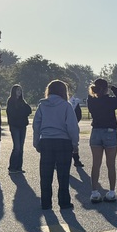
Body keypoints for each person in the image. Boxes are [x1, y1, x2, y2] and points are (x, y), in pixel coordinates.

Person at [33, 79, 80, 210]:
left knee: (46, 174)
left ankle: (46, 202)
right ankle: (64, 202)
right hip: (63, 142)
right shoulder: (66, 106)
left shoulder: (42, 105)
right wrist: (75, 143)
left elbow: (36, 125)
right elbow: (72, 127)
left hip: (46, 141)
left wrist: (36, 141)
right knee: (63, 174)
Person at [85, 77, 117, 203]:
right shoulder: (110, 101)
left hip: (96, 130)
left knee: (96, 164)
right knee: (110, 164)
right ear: (106, 88)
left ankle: (94, 192)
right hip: (109, 131)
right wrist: (113, 87)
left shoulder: (90, 100)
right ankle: (112, 192)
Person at [6, 84, 32, 173]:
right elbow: (13, 113)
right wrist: (22, 112)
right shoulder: (10, 101)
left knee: (21, 147)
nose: (19, 92)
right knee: (16, 147)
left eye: (20, 91)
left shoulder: (22, 101)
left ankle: (19, 167)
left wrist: (22, 111)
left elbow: (29, 110)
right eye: (17, 90)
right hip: (14, 126)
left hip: (22, 126)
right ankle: (12, 167)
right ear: (14, 91)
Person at [70, 91, 85, 168]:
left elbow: (79, 114)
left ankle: (76, 160)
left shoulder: (75, 102)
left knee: (74, 144)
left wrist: (74, 122)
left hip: (72, 125)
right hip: (66, 126)